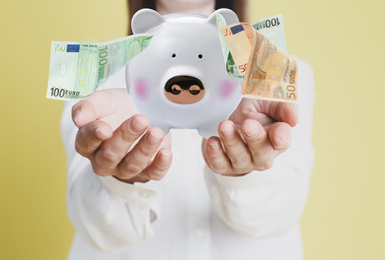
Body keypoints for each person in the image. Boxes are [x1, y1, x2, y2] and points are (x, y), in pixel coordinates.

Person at [61, 0, 315, 259]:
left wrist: (247, 173)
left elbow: (283, 212)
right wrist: (123, 180)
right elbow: (92, 227)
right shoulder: (97, 78)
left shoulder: (280, 72)